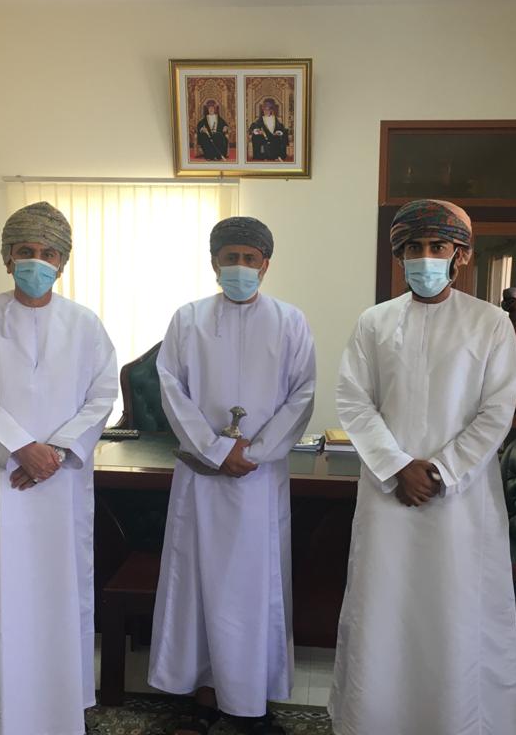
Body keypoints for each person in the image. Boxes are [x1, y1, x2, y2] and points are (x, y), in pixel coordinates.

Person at [329, 199, 516, 735]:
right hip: (388, 495)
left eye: (437, 247)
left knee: (456, 614)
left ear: (461, 255)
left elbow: (496, 412)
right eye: (413, 248)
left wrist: (439, 470)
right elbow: (353, 401)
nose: (424, 258)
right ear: (398, 256)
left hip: (459, 501)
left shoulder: (490, 324)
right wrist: (397, 467)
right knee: (383, 612)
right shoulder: (374, 322)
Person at [0, 201, 119, 735]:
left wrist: (57, 452)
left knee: (57, 597)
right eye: (26, 251)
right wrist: (22, 447)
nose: (37, 262)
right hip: (2, 484)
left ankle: (58, 715)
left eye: (48, 253)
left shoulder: (85, 325)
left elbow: (102, 396)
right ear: (7, 257)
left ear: (63, 262)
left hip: (60, 486)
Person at [148, 216, 316, 735]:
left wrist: (254, 453)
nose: (240, 267)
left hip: (259, 483)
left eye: (250, 258)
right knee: (198, 589)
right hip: (202, 478)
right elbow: (171, 387)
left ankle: (251, 703)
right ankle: (202, 694)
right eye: (230, 258)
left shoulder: (290, 321)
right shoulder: (188, 319)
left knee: (253, 591)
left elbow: (303, 394)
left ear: (266, 264)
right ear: (214, 262)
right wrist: (217, 449)